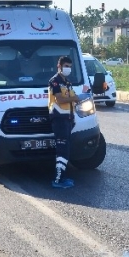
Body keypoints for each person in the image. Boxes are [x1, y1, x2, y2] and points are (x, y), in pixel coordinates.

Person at [48, 56, 80, 188]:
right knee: (62, 150)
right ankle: (58, 179)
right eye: (66, 66)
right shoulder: (54, 81)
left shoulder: (67, 82)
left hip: (68, 119)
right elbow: (60, 99)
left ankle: (62, 176)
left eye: (70, 66)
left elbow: (70, 100)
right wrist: (75, 98)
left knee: (65, 150)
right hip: (59, 119)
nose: (68, 69)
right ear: (59, 66)